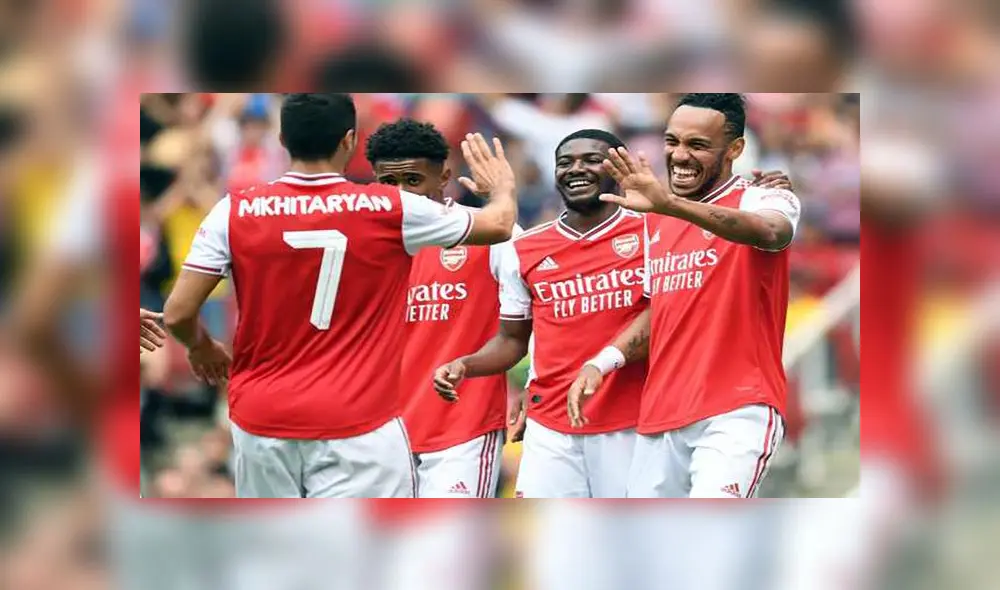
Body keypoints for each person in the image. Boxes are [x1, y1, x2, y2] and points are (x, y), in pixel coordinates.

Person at [162, 93, 518, 498]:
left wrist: (200, 346)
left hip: (261, 418)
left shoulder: (233, 210)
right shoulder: (386, 206)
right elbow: (499, 225)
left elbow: (177, 313)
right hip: (356, 421)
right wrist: (502, 188)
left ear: (281, 139)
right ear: (349, 141)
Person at [568, 93, 801, 498]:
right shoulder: (656, 217)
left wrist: (671, 204)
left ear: (735, 149)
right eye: (672, 141)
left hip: (737, 411)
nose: (679, 156)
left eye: (697, 145)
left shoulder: (763, 196)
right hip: (660, 416)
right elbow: (664, 309)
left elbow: (771, 232)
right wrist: (602, 362)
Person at [433, 129, 647, 498]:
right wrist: (466, 365)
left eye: (591, 160)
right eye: (565, 163)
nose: (575, 169)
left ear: (618, 166)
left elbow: (663, 319)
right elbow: (513, 339)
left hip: (631, 422)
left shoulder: (652, 233)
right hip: (551, 429)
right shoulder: (526, 247)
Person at [365, 119, 517, 498]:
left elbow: (530, 322)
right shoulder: (360, 244)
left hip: (461, 432)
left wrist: (501, 196)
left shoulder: (490, 236)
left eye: (413, 180)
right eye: (388, 182)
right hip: (380, 438)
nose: (400, 194)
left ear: (444, 177)